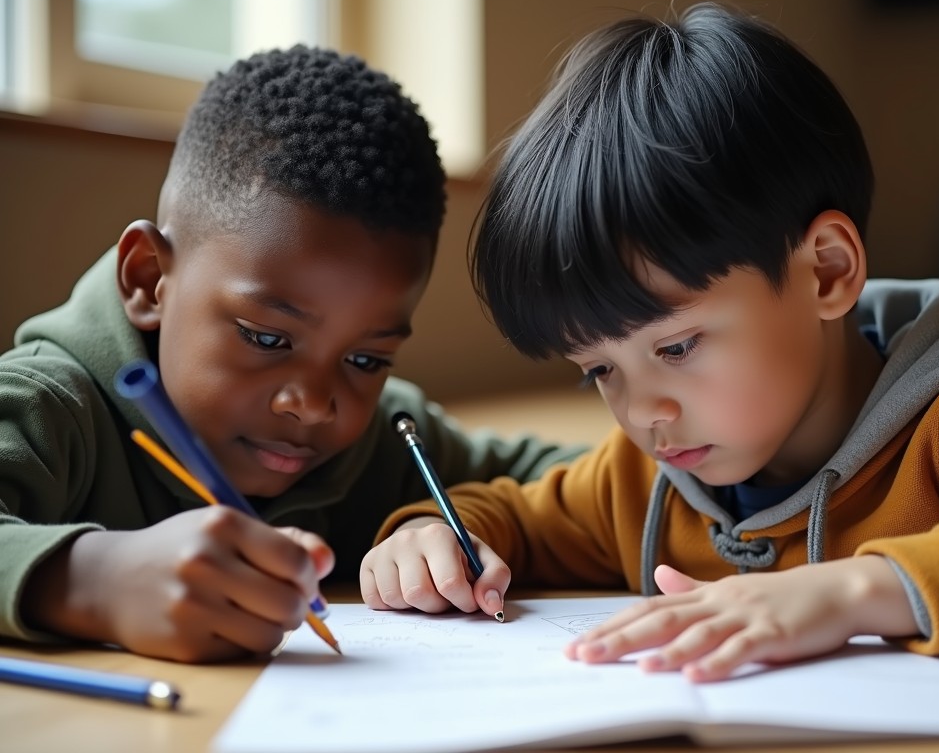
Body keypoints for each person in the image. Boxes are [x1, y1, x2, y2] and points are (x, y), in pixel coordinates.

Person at [361, 2, 939, 681]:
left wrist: (853, 593)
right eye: (599, 371)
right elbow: (510, 517)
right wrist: (428, 538)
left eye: (676, 348)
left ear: (826, 269)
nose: (643, 412)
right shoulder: (642, 481)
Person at [0, 45, 584, 663]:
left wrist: (447, 526)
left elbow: (593, 484)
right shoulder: (49, 408)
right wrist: (95, 581)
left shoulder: (384, 439)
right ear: (149, 280)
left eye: (365, 361)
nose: (311, 405)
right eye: (267, 338)